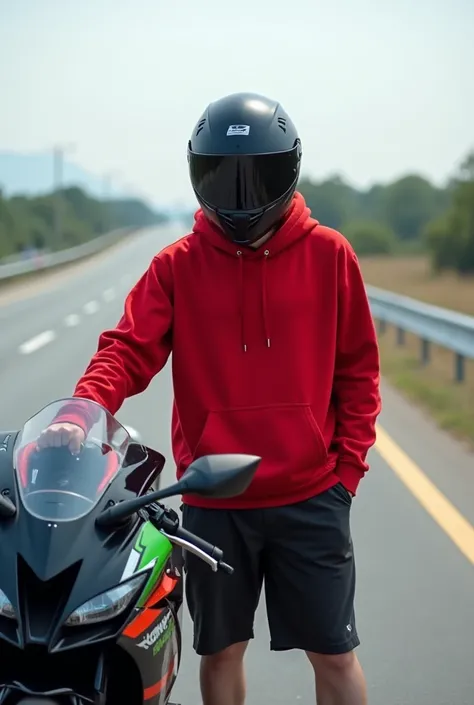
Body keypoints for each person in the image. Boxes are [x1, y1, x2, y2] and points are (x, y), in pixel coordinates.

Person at [38, 92, 381, 705]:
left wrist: (346, 473)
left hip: (311, 495)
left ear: (289, 169)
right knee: (219, 652)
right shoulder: (177, 266)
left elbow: (359, 372)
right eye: (226, 177)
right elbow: (126, 350)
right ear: (199, 174)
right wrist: (79, 411)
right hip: (214, 498)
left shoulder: (330, 255)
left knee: (334, 654)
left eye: (259, 178)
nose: (243, 197)